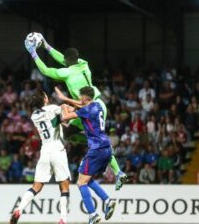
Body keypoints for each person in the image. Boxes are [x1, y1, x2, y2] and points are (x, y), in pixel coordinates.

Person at [24, 33, 127, 190]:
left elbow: (45, 70)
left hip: (89, 108)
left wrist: (33, 52)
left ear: (66, 62)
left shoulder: (67, 73)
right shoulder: (83, 63)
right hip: (97, 104)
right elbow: (64, 59)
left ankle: (113, 165)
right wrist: (46, 46)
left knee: (84, 136)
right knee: (68, 134)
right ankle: (117, 170)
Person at [10, 90, 71, 224]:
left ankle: (19, 208)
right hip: (57, 149)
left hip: (45, 152)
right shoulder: (53, 108)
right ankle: (63, 219)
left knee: (36, 186)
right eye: (45, 95)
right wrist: (69, 107)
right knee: (64, 186)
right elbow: (64, 119)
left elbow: (54, 122)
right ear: (45, 99)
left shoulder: (34, 116)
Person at [61, 86, 116, 224]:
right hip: (106, 148)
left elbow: (65, 118)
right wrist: (68, 101)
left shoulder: (87, 109)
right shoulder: (97, 105)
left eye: (81, 96)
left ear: (85, 97)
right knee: (86, 178)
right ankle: (108, 201)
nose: (79, 99)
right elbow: (79, 105)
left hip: (96, 149)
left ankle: (93, 215)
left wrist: (63, 106)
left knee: (80, 182)